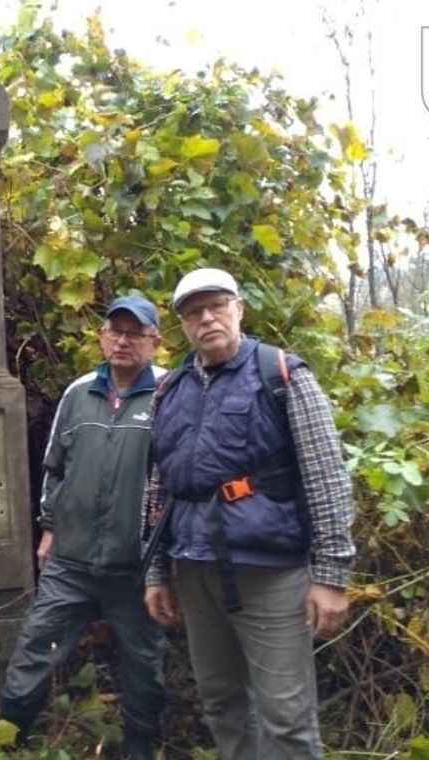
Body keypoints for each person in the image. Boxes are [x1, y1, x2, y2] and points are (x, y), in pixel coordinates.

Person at [141, 268, 355, 760]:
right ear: (183, 325)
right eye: (194, 312)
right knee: (220, 702)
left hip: (270, 572)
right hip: (195, 570)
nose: (207, 318)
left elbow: (325, 477)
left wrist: (332, 574)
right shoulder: (169, 391)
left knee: (286, 716)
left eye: (217, 305)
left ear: (239, 308)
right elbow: (157, 486)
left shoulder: (282, 375)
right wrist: (155, 571)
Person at [0, 293, 168, 759]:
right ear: (102, 336)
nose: (124, 341)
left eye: (136, 333)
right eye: (116, 331)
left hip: (138, 566)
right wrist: (49, 527)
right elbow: (55, 466)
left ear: (155, 342)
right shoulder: (78, 392)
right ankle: (6, 733)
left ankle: (140, 745)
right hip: (71, 559)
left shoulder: (170, 394)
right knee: (36, 644)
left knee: (144, 661)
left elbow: (178, 476)